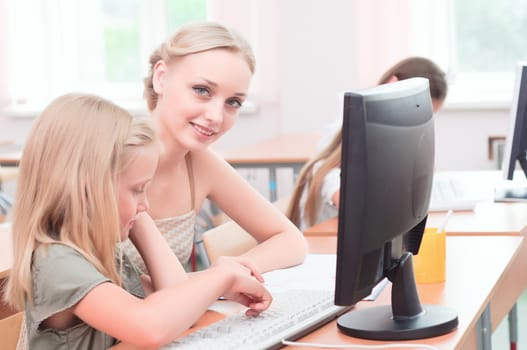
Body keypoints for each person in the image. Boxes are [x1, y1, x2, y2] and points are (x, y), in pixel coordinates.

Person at [3, 93, 272, 349]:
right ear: (89, 191)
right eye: (137, 189)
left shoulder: (101, 251)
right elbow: (150, 326)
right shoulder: (57, 263)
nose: (146, 205)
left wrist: (222, 284)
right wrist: (221, 275)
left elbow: (174, 297)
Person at [120, 21, 308, 274]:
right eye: (202, 90)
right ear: (161, 78)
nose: (216, 117)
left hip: (171, 310)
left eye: (233, 102)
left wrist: (224, 275)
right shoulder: (110, 154)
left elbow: (291, 240)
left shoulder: (199, 163)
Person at [286, 56, 448, 231]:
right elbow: (349, 198)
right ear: (391, 85)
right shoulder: (347, 137)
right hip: (321, 245)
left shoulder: (384, 138)